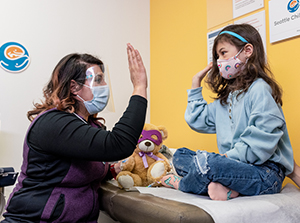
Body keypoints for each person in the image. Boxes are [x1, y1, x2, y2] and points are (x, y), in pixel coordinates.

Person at [1, 43, 148, 222]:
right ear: (74, 87)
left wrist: (111, 170)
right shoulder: (53, 123)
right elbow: (118, 144)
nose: (105, 86)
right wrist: (139, 88)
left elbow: (83, 169)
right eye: (99, 80)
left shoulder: (91, 126)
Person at [161, 23, 300, 200]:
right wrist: (195, 83)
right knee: (180, 156)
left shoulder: (259, 90)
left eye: (223, 53)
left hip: (265, 173)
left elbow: (260, 142)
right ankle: (227, 187)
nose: (219, 61)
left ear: (247, 50)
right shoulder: (226, 99)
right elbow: (197, 120)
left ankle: (184, 184)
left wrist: (225, 158)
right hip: (233, 168)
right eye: (217, 56)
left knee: (208, 163)